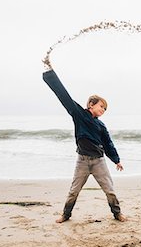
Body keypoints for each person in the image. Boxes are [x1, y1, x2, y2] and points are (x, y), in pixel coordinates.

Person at [42, 68, 127, 223]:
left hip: (99, 162)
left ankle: (117, 214)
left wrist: (116, 160)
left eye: (105, 109)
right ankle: (66, 215)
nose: (103, 110)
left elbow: (108, 144)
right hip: (82, 161)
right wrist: (50, 75)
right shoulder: (79, 115)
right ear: (91, 104)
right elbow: (64, 96)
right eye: (101, 106)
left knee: (110, 191)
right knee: (73, 191)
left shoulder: (101, 125)